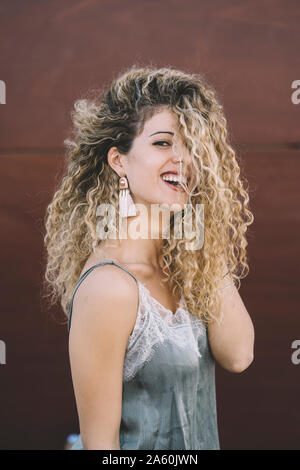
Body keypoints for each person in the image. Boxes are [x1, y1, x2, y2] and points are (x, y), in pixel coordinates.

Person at [43, 65, 255, 450]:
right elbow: (101, 448)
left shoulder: (187, 267)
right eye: (163, 143)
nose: (183, 159)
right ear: (118, 161)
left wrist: (202, 239)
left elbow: (239, 355)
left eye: (192, 145)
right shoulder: (110, 288)